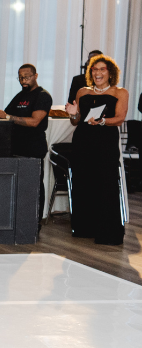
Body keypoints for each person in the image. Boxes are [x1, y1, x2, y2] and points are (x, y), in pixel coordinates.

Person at [64, 54, 128, 245]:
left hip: (105, 141)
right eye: (94, 69)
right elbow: (75, 121)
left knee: (106, 183)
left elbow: (119, 118)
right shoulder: (82, 92)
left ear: (110, 72)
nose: (98, 73)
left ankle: (107, 231)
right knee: (83, 182)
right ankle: (85, 227)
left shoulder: (120, 92)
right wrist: (73, 114)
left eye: (102, 69)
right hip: (83, 141)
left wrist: (102, 121)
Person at [0, 64, 53, 214]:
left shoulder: (42, 96)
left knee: (33, 187)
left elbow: (34, 122)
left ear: (36, 76)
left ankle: (35, 223)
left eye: (27, 77)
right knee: (18, 188)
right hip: (16, 147)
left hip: (33, 148)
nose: (23, 80)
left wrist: (7, 117)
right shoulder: (20, 96)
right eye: (20, 78)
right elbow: (7, 115)